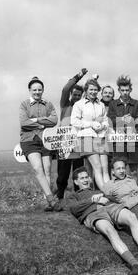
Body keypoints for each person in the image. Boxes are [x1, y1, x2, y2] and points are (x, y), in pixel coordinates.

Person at [68, 166, 138, 275]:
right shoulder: (73, 196)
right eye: (82, 178)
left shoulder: (99, 191)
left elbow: (115, 198)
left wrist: (106, 197)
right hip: (94, 213)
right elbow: (74, 209)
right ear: (76, 182)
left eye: (87, 177)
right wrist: (92, 200)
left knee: (132, 217)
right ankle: (135, 265)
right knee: (110, 231)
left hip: (110, 207)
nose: (85, 180)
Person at [19, 76, 58, 211]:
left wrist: (35, 120)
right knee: (38, 169)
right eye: (34, 89)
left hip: (45, 140)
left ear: (43, 90)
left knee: (47, 169)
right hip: (29, 140)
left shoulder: (48, 104)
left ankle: (49, 203)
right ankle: (51, 200)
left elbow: (54, 121)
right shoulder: (24, 104)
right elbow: (24, 123)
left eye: (39, 89)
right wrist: (43, 122)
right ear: (30, 90)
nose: (37, 92)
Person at [71, 78, 110, 191]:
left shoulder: (101, 105)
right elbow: (74, 121)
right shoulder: (79, 104)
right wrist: (91, 124)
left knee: (104, 168)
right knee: (96, 167)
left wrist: (103, 126)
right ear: (86, 90)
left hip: (101, 137)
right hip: (86, 137)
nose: (93, 92)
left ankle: (106, 192)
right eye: (91, 89)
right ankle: (105, 193)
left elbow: (106, 121)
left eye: (95, 90)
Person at [56, 68, 88, 202]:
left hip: (78, 143)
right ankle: (59, 198)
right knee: (63, 173)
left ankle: (79, 197)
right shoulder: (65, 104)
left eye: (78, 95)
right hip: (64, 143)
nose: (76, 97)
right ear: (71, 95)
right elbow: (65, 89)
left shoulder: (82, 106)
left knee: (78, 170)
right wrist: (79, 76)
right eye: (74, 94)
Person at [108, 75, 138, 183]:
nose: (125, 92)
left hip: (133, 141)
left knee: (133, 171)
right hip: (118, 142)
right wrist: (121, 120)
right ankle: (119, 193)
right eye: (122, 90)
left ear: (130, 90)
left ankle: (135, 192)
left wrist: (131, 120)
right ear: (118, 90)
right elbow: (110, 121)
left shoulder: (136, 103)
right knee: (118, 171)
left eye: (127, 90)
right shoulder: (113, 104)